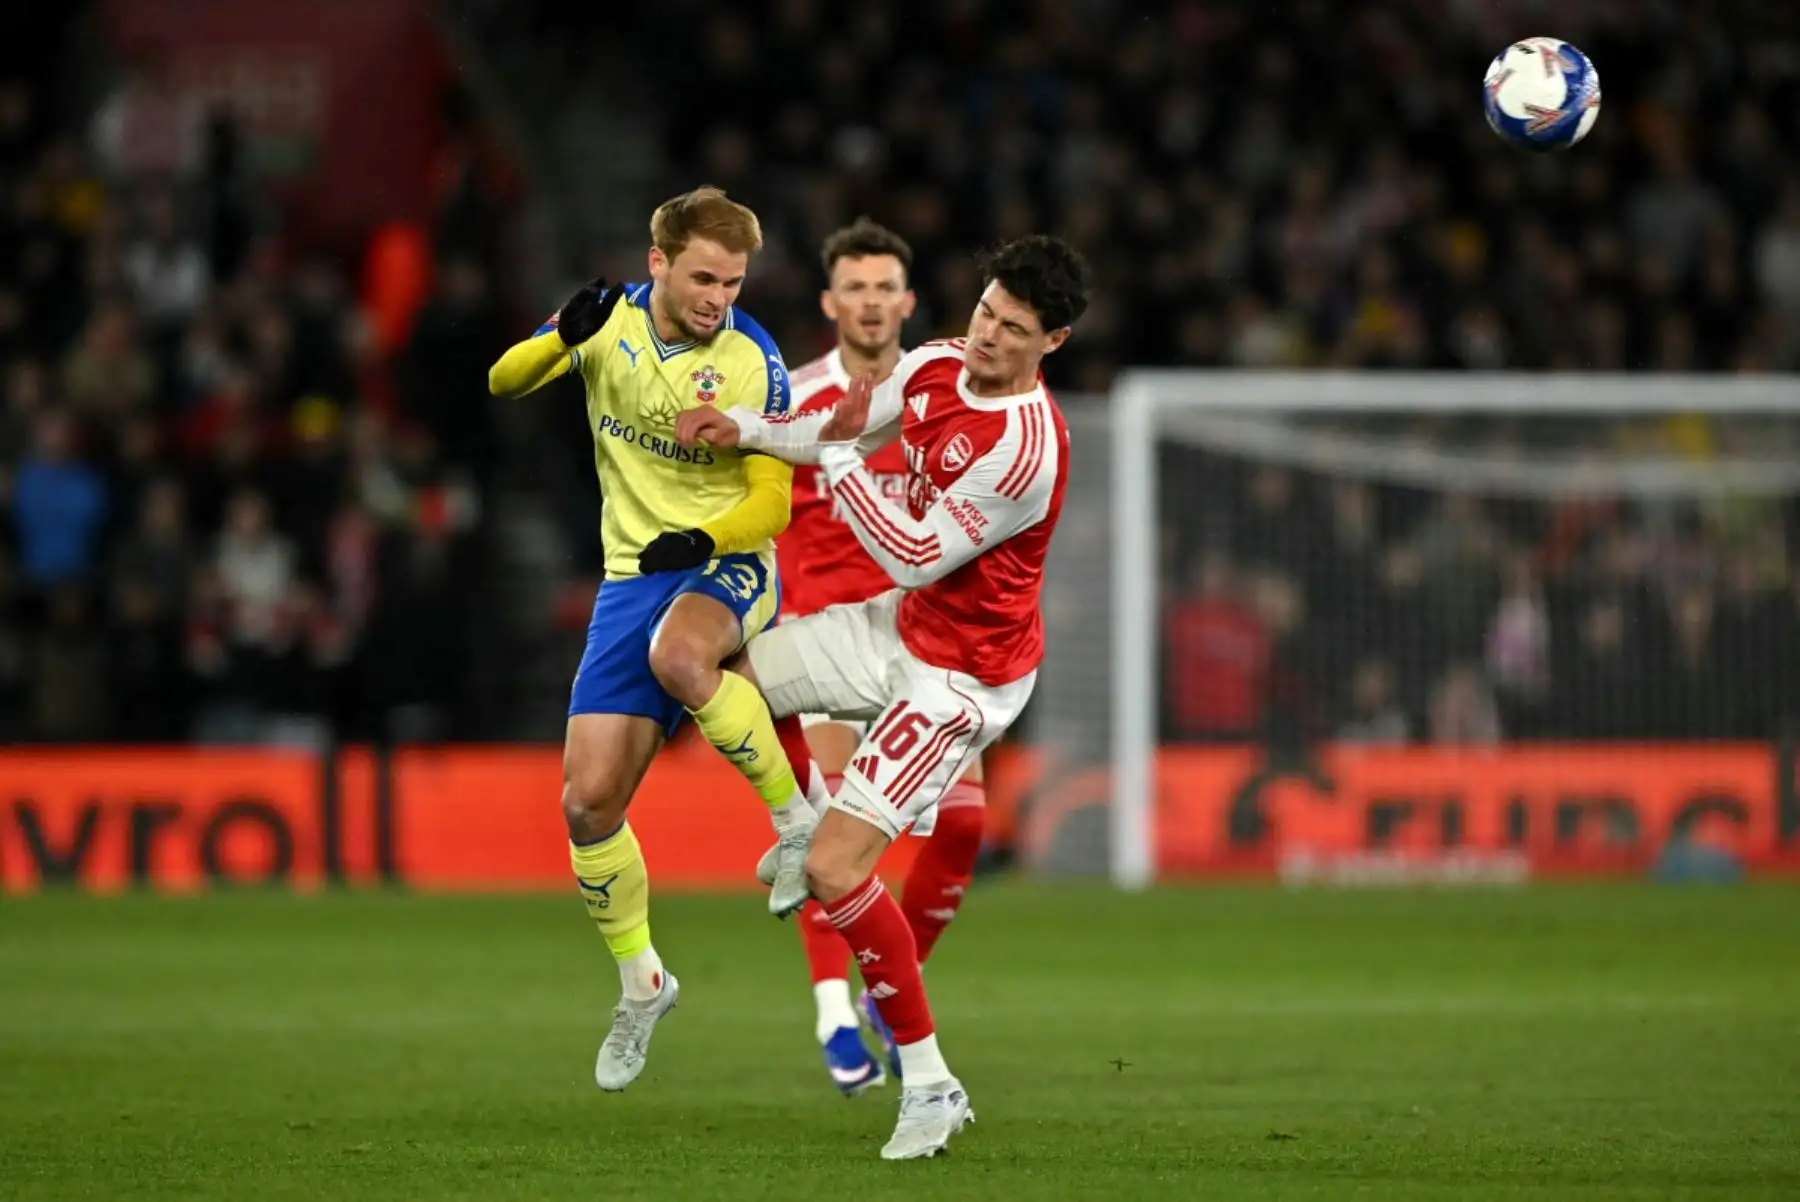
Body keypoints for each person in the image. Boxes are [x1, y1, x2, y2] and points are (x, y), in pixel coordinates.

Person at [677, 234, 1091, 1159]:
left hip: (959, 682)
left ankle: (932, 1084)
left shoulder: (1026, 451)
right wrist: (746, 430)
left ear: (1050, 342)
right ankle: (799, 822)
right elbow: (848, 427)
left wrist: (842, 465)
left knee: (837, 872)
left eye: (1012, 329)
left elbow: (909, 547)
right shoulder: (940, 362)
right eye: (985, 311)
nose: (985, 337)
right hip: (898, 628)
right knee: (727, 685)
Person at [486, 186, 821, 1094]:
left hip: (727, 562)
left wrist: (706, 539)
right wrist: (561, 335)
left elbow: (775, 498)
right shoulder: (606, 325)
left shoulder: (753, 361)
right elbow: (503, 381)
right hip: (633, 580)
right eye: (705, 278)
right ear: (658, 263)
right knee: (587, 805)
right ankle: (644, 983)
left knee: (683, 655)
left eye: (735, 281)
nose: (720, 298)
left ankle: (798, 823)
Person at [776, 219, 992, 1097]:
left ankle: (889, 988)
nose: (870, 302)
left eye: (884, 287)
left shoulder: (945, 393)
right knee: (838, 834)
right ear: (831, 304)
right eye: (853, 288)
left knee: (969, 824)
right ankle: (833, 1009)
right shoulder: (797, 399)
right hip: (834, 641)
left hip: (928, 644)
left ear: (907, 300)